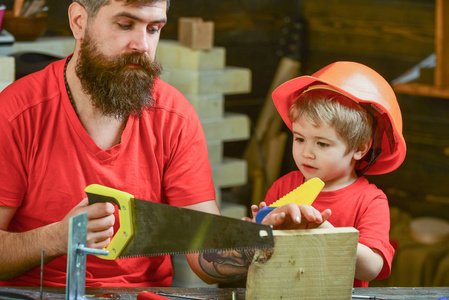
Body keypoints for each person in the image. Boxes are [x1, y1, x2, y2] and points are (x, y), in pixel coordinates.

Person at [0, 0, 329, 287]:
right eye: (125, 24)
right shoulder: (15, 113)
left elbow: (206, 252)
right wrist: (56, 239)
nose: (141, 45)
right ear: (79, 21)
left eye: (154, 28)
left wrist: (262, 241)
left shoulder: (176, 117)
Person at [250, 61, 407, 287]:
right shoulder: (284, 186)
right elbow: (261, 256)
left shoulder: (371, 201)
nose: (307, 153)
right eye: (299, 138)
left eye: (322, 144)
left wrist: (326, 234)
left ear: (360, 148)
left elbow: (372, 268)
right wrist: (257, 228)